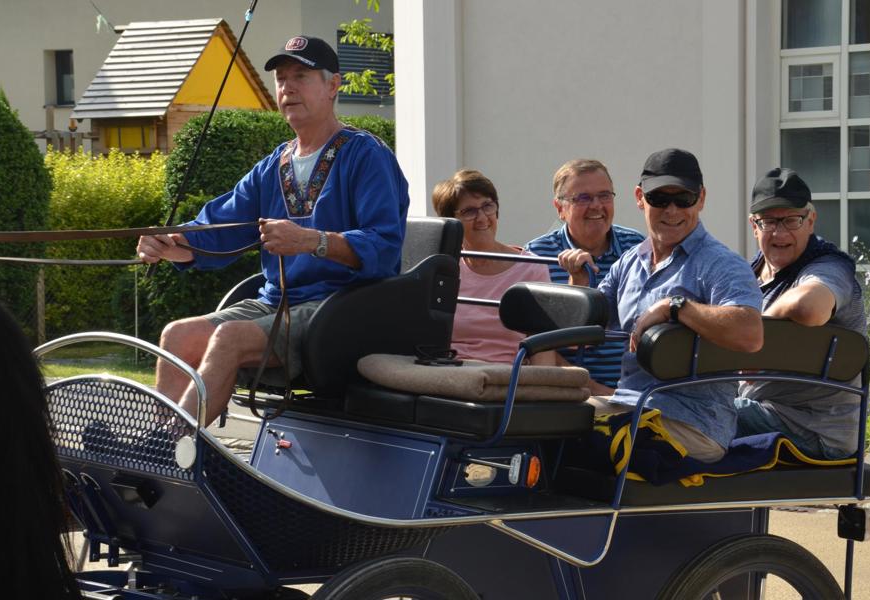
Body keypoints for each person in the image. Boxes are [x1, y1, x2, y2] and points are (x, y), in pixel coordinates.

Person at [136, 35, 409, 426]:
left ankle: (171, 445)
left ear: (333, 85)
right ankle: (156, 448)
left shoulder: (367, 155)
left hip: (340, 310)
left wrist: (312, 242)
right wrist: (170, 243)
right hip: (274, 306)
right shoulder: (272, 167)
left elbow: (384, 246)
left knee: (229, 338)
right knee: (177, 335)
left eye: (301, 75)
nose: (288, 87)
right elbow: (217, 232)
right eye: (281, 78)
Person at [593, 148, 763, 462]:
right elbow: (589, 321)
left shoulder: (720, 264)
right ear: (639, 197)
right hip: (632, 405)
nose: (672, 210)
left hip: (694, 423)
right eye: (660, 198)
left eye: (683, 199)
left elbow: (750, 333)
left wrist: (676, 307)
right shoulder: (630, 262)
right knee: (546, 420)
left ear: (701, 199)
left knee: (578, 431)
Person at [735, 168, 866, 460]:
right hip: (764, 413)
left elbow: (809, 306)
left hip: (813, 429)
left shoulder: (830, 266)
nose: (780, 233)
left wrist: (754, 336)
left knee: (691, 415)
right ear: (754, 226)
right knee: (676, 407)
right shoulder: (747, 274)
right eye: (769, 221)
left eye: (792, 220)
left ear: (811, 221)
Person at [525, 160, 644, 393]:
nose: (596, 206)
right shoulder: (537, 256)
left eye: (604, 196)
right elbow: (541, 346)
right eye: (583, 198)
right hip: (572, 394)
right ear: (560, 208)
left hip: (638, 390)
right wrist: (598, 391)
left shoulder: (637, 248)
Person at [431, 169, 555, 365]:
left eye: (487, 206)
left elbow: (543, 345)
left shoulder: (531, 267)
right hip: (452, 372)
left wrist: (544, 387)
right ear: (451, 221)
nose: (482, 218)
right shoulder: (444, 267)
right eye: (469, 211)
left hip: (506, 378)